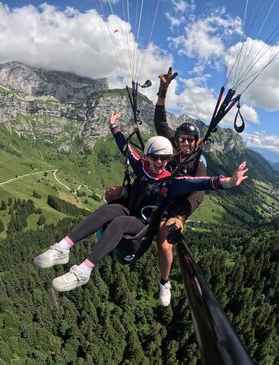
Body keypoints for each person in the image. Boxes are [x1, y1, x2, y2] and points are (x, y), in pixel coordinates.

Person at [34, 112, 248, 292]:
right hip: (130, 209)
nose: (159, 162)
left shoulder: (174, 181)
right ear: (148, 156)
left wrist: (229, 181)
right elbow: (125, 148)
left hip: (144, 223)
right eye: (155, 157)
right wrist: (114, 126)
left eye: (164, 158)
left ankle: (83, 271)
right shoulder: (141, 167)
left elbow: (203, 183)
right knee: (106, 211)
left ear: (169, 159)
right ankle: (62, 248)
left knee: (119, 223)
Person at [153, 67, 207, 306]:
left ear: (196, 143)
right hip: (156, 197)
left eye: (189, 140)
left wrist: (181, 217)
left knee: (165, 245)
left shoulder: (199, 163)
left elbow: (197, 194)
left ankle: (164, 282)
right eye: (181, 139)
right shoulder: (172, 147)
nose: (183, 143)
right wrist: (162, 91)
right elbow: (160, 121)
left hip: (176, 208)